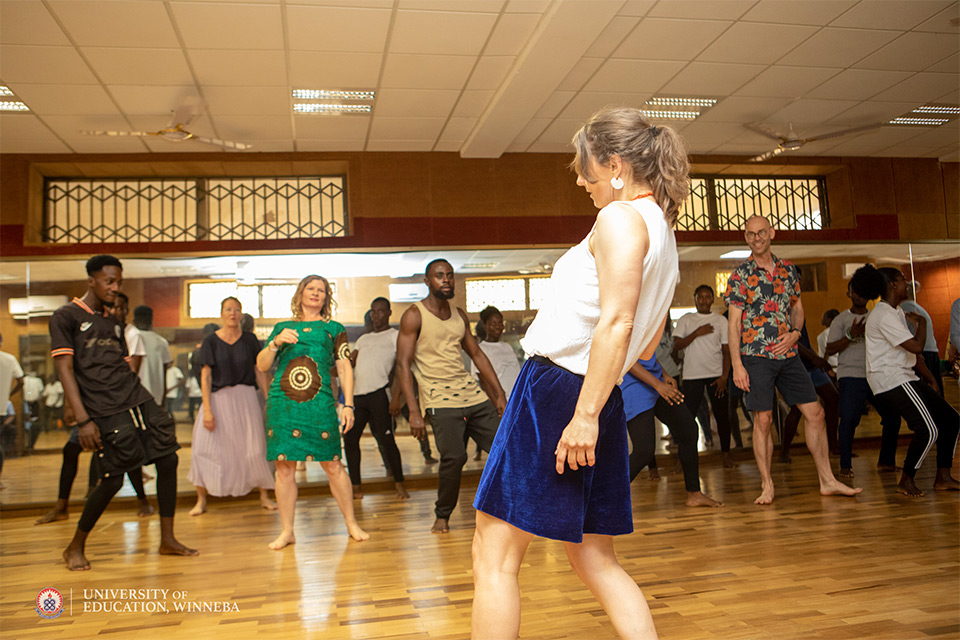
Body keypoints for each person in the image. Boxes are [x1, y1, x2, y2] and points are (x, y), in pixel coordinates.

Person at [472, 107, 688, 640]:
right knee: (594, 554)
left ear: (614, 164)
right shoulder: (662, 229)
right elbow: (648, 337)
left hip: (561, 391)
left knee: (493, 552)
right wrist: (594, 404)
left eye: (584, 166)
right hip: (600, 389)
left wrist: (583, 414)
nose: (579, 178)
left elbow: (617, 321)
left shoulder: (619, 218)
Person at [49, 255, 196, 570]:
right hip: (104, 409)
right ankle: (75, 545)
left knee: (169, 459)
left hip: (136, 398)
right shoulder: (66, 316)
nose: (115, 287)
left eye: (119, 282)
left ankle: (167, 538)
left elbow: (122, 366)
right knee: (114, 478)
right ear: (92, 280)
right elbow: (64, 370)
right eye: (109, 281)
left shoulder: (113, 322)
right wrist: (84, 419)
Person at [725, 214, 860, 505]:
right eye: (750, 234)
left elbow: (798, 309)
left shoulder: (788, 270)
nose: (756, 238)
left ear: (772, 233)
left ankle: (827, 480)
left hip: (788, 355)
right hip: (756, 356)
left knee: (817, 414)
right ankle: (767, 484)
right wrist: (737, 364)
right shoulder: (740, 274)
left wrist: (796, 333)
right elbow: (733, 324)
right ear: (745, 237)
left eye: (761, 232)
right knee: (763, 420)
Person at [256, 275, 369, 549]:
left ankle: (351, 523)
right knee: (284, 468)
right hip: (283, 405)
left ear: (326, 297)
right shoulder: (282, 327)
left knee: (332, 463)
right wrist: (275, 343)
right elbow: (261, 366)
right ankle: (287, 531)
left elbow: (344, 368)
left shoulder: (334, 328)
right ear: (301, 293)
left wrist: (349, 404)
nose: (316, 293)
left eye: (322, 290)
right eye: (311, 289)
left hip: (320, 404)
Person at [396, 259, 506, 534]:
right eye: (439, 276)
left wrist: (499, 394)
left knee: (506, 449)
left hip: (471, 395)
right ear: (427, 281)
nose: (446, 280)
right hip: (439, 398)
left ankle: (509, 506)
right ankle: (442, 514)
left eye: (449, 275)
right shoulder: (414, 315)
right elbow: (402, 364)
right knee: (454, 458)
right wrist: (412, 411)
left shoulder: (458, 314)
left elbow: (477, 354)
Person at [850, 265, 959, 497]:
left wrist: (931, 380)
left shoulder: (896, 312)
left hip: (905, 375)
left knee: (951, 419)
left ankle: (943, 477)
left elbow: (912, 355)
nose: (906, 283)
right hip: (890, 379)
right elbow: (917, 346)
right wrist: (923, 324)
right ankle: (906, 480)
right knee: (928, 429)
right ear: (891, 285)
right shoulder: (882, 314)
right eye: (901, 279)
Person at [188, 297, 277, 515]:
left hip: (246, 397)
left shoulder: (249, 340)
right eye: (228, 309)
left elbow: (259, 370)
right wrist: (207, 409)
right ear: (221, 313)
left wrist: (268, 400)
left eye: (237, 310)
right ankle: (201, 499)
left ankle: (264, 495)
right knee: (204, 447)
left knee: (255, 447)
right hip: (218, 400)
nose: (233, 313)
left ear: (241, 314)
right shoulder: (211, 341)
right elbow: (206, 376)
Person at [622, 354, 723, 507]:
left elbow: (646, 352)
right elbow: (627, 358)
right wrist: (658, 385)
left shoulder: (654, 329)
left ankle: (694, 494)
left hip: (656, 382)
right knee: (644, 451)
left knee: (688, 430)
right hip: (634, 385)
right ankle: (601, 497)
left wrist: (664, 374)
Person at [826, 282, 902, 476]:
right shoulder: (841, 320)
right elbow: (830, 349)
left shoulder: (877, 317)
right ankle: (845, 466)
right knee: (849, 418)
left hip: (876, 373)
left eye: (863, 291)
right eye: (855, 291)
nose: (859, 295)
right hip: (851, 375)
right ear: (848, 293)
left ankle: (886, 462)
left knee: (892, 416)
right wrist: (852, 335)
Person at [344, 297, 409, 500]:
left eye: (381, 311)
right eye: (373, 311)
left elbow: (401, 369)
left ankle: (399, 483)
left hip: (380, 394)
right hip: (358, 397)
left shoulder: (395, 336)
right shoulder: (363, 339)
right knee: (349, 438)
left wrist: (396, 398)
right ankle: (356, 486)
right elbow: (349, 363)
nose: (376, 315)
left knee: (387, 440)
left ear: (389, 313)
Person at [672, 285, 737, 468]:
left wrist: (725, 376)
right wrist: (696, 333)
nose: (703, 300)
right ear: (694, 298)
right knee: (687, 418)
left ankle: (726, 454)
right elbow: (677, 346)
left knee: (722, 417)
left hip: (716, 376)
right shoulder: (686, 320)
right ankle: (682, 458)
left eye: (707, 297)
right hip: (692, 376)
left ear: (712, 299)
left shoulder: (720, 321)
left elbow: (726, 351)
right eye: (700, 297)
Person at [470, 306, 522, 461]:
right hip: (501, 404)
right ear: (484, 326)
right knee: (503, 445)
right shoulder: (480, 350)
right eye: (493, 323)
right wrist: (498, 404)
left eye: (500, 323)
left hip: (516, 400)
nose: (498, 326)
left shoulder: (507, 347)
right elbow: (484, 382)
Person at [901, 282, 943, 396]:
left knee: (926, 394)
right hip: (931, 352)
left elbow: (908, 336)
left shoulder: (905, 308)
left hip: (923, 354)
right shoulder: (918, 308)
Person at [133, 305, 172, 407]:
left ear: (134, 321)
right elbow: (164, 373)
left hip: (135, 395)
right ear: (151, 321)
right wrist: (163, 398)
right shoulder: (161, 342)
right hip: (156, 395)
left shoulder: (130, 338)